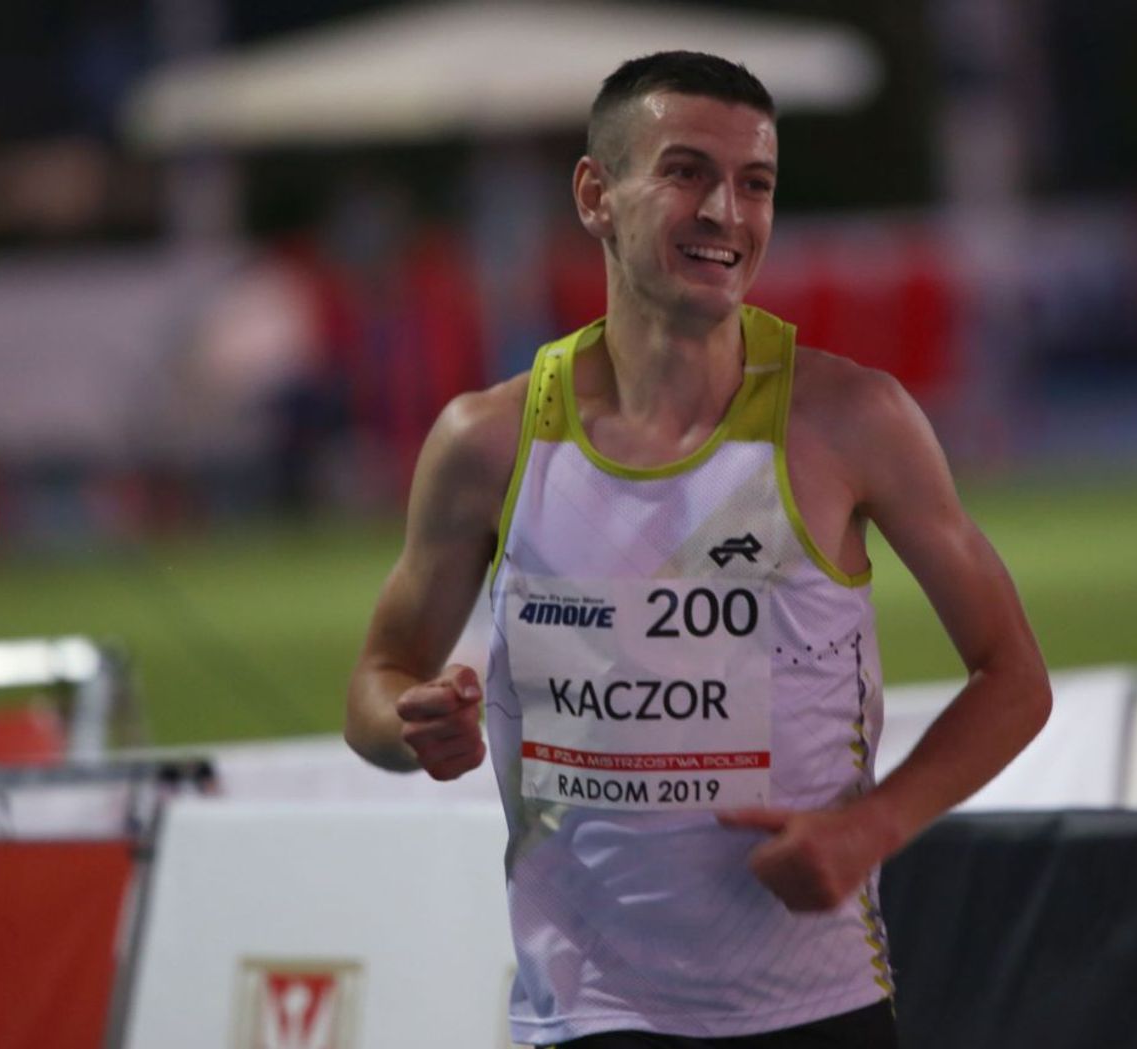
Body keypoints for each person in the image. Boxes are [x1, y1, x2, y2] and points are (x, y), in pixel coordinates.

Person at [345, 51, 1051, 1048]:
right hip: (585, 1015)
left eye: (755, 183)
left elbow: (1014, 677)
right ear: (596, 194)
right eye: (686, 172)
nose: (727, 211)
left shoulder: (852, 420)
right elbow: (376, 683)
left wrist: (870, 826)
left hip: (814, 1006)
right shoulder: (487, 442)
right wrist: (411, 726)